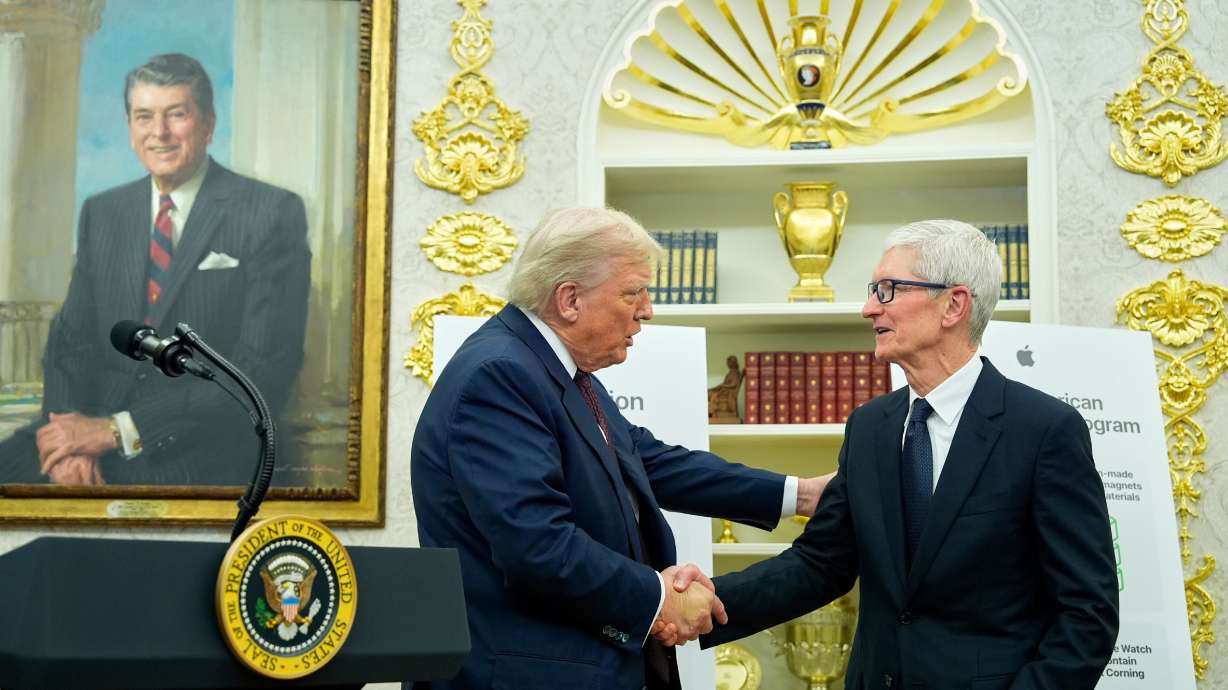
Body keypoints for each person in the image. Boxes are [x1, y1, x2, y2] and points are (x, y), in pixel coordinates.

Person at [685, 220, 1119, 689]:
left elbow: (1087, 615)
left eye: (888, 290)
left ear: (954, 304)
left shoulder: (1044, 431)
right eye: (874, 290)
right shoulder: (870, 426)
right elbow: (821, 563)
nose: (869, 308)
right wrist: (705, 600)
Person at [410, 207, 830, 690]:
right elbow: (538, 546)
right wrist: (661, 598)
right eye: (634, 292)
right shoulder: (500, 375)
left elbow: (647, 460)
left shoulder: (550, 367)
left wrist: (801, 494)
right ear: (569, 299)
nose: (647, 310)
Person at [0, 53, 310, 486]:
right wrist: (66, 438)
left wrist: (116, 431)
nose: (159, 133)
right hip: (89, 433)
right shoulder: (103, 213)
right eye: (144, 116)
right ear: (130, 127)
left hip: (198, 443)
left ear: (207, 123)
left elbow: (260, 369)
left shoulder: (269, 213)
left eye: (176, 114)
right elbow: (70, 341)